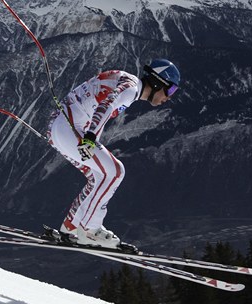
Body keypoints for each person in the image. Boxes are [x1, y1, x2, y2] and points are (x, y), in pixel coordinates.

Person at [47, 59, 180, 249]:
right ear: (157, 82)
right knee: (116, 171)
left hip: (63, 126)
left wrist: (91, 137)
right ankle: (89, 230)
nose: (169, 97)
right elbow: (106, 105)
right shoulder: (131, 89)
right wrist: (90, 138)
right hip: (70, 127)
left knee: (99, 176)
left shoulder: (128, 82)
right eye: (171, 90)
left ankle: (72, 226)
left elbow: (95, 100)